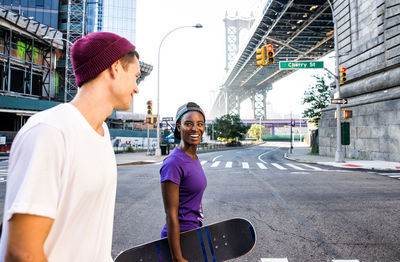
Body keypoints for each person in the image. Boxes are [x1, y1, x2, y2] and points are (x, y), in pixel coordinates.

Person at [0, 32, 140, 262]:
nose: (137, 88)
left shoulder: (102, 134)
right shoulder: (50, 132)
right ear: (115, 67)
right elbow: (22, 253)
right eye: (135, 76)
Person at [160, 102, 207, 262]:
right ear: (179, 127)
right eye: (188, 124)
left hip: (194, 234)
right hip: (180, 241)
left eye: (199, 124)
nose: (195, 129)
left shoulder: (193, 157)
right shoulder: (173, 163)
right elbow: (171, 214)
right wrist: (177, 257)